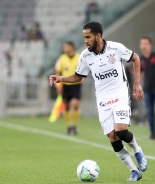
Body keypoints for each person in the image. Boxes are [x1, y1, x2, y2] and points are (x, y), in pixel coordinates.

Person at [50, 22, 147, 182]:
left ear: (98, 36)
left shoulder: (115, 48)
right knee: (112, 137)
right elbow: (78, 76)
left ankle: (137, 149)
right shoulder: (85, 56)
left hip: (120, 95)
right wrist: (61, 78)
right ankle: (134, 171)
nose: (86, 41)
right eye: (84, 38)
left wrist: (137, 83)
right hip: (103, 101)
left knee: (121, 131)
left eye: (88, 37)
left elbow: (135, 58)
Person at [55, 41, 81, 135]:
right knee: (66, 107)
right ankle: (69, 125)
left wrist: (83, 78)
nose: (64, 48)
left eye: (66, 47)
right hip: (65, 85)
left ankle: (74, 125)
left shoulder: (79, 57)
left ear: (71, 47)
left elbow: (84, 69)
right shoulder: (62, 58)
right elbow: (58, 72)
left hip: (76, 84)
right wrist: (58, 85)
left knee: (75, 104)